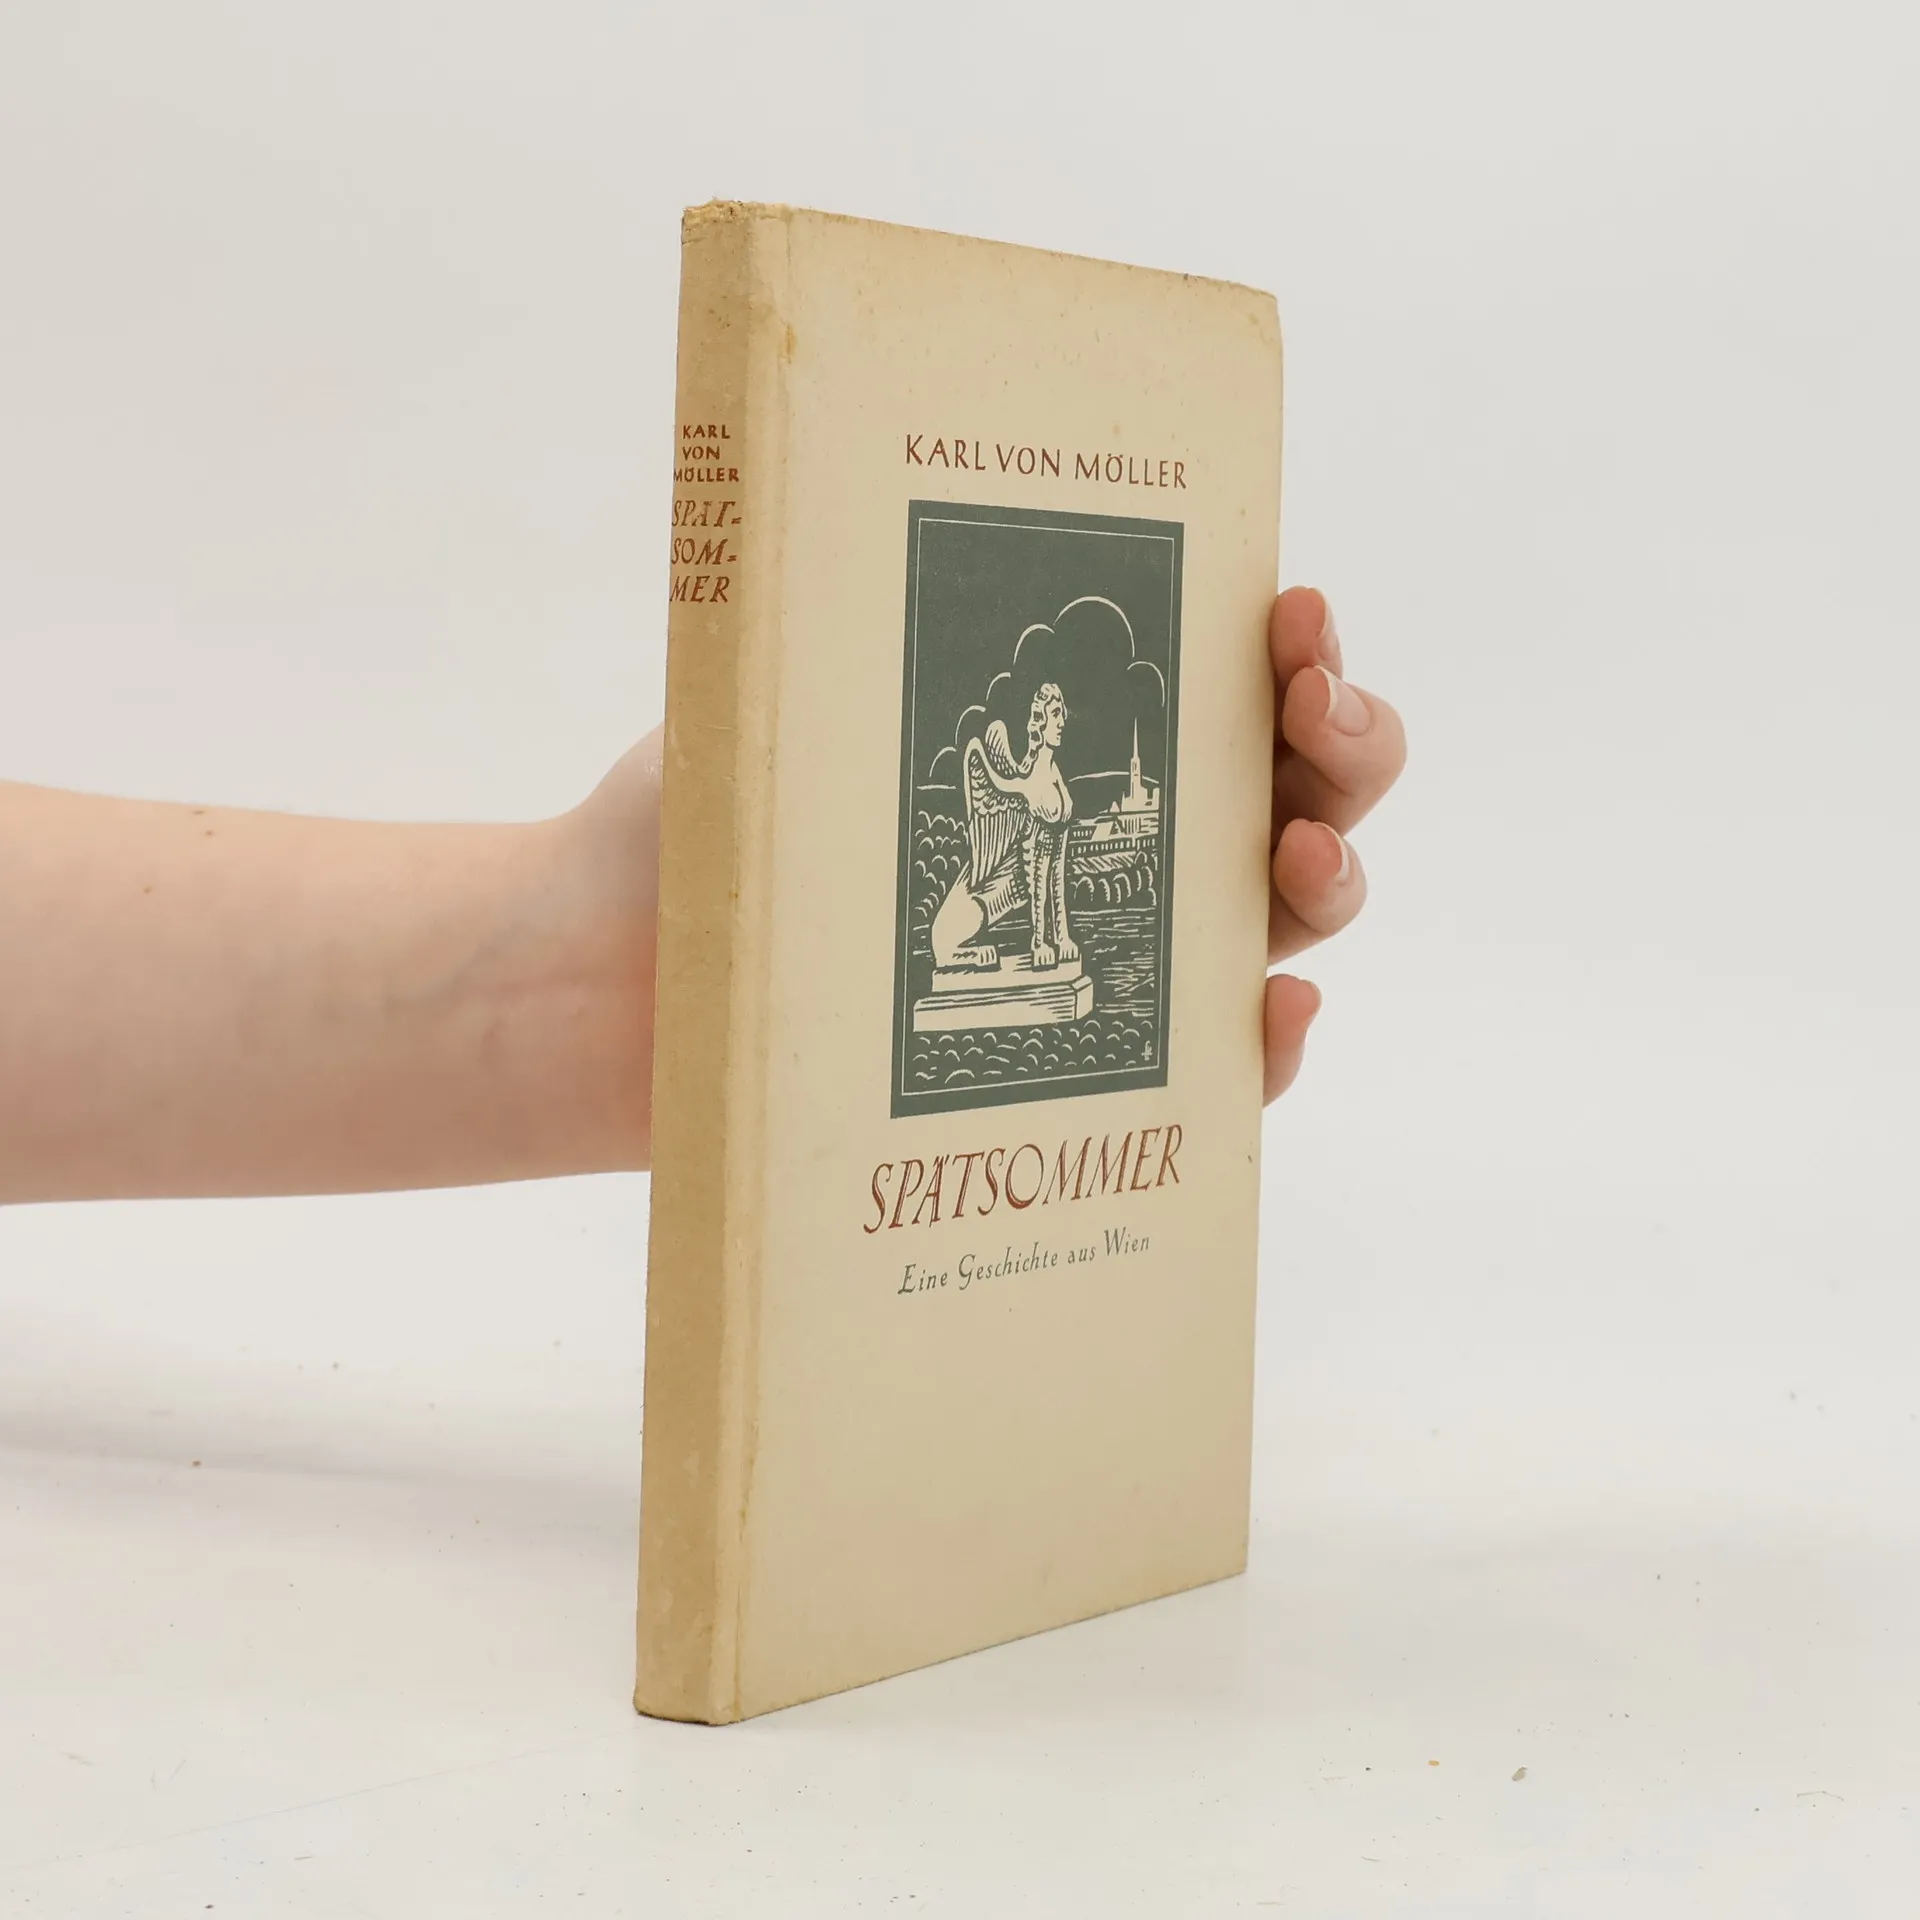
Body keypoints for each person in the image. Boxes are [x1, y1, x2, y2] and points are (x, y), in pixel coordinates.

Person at [0, 587, 1404, 1203]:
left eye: (1052, 715)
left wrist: (612, 960)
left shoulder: (1042, 768)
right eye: (1038, 713)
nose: (1047, 723)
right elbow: (1012, 808)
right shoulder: (1005, 763)